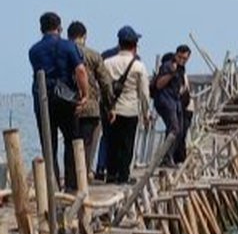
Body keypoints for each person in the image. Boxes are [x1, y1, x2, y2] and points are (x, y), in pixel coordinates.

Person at [29, 11, 88, 190]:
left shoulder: (34, 50)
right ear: (59, 27)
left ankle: (52, 185)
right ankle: (71, 185)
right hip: (65, 98)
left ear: (41, 29)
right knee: (72, 141)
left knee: (49, 144)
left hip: (43, 99)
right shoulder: (69, 47)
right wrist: (85, 95)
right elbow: (80, 71)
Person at [103, 26, 150, 184]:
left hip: (111, 110)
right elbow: (144, 93)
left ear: (119, 43)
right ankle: (123, 176)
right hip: (130, 110)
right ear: (135, 45)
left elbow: (103, 87)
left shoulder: (107, 63)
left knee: (111, 143)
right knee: (126, 144)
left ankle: (110, 174)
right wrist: (146, 113)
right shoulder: (138, 66)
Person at [67, 21, 114, 178]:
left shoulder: (63, 53)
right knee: (87, 146)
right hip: (90, 107)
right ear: (85, 36)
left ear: (68, 36)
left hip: (69, 107)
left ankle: (70, 180)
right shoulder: (94, 55)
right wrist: (110, 106)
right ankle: (83, 179)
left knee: (70, 145)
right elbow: (105, 83)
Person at [152, 45, 191, 166]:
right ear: (176, 54)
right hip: (165, 100)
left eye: (185, 59)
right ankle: (166, 158)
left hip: (175, 102)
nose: (182, 60)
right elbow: (159, 84)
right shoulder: (168, 65)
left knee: (178, 130)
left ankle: (168, 157)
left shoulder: (181, 68)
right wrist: (171, 73)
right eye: (180, 57)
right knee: (174, 128)